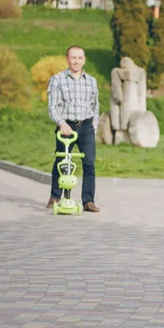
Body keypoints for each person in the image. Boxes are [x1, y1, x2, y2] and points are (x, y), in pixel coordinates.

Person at [47, 45, 100, 212]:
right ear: (67, 59)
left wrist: (94, 126)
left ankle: (88, 201)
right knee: (62, 161)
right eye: (73, 57)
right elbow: (52, 106)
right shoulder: (57, 80)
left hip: (86, 126)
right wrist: (61, 123)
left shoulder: (91, 81)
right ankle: (55, 196)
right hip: (66, 127)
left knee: (89, 163)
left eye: (79, 58)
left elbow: (95, 105)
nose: (76, 61)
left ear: (84, 60)